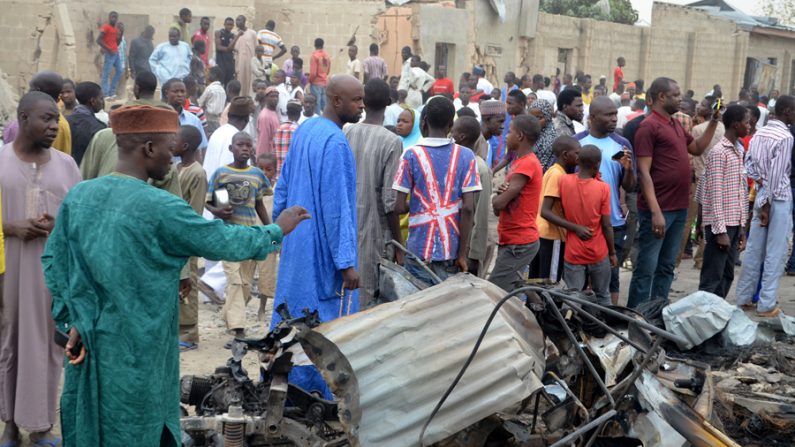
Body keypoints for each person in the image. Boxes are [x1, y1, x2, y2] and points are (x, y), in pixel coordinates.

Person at [42, 105, 308, 446]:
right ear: (149, 148)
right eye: (170, 148)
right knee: (136, 423)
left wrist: (71, 320)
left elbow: (54, 262)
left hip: (89, 342)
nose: (173, 157)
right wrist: (276, 229)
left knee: (93, 421)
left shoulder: (79, 197)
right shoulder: (160, 207)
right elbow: (221, 240)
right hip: (139, 347)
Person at [271, 75, 363, 397]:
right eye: (356, 100)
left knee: (289, 318)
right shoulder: (336, 143)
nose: (362, 106)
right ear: (336, 101)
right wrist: (347, 263)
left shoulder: (305, 130)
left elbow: (281, 186)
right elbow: (337, 209)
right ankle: (318, 398)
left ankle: (286, 387)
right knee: (325, 326)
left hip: (295, 244)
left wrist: (276, 234)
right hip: (320, 254)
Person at [0, 91, 81, 447]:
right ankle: (10, 423)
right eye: (46, 118)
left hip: (51, 276)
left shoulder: (66, 165)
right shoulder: (1, 162)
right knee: (8, 342)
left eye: (56, 119)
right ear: (22, 118)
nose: (54, 125)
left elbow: (79, 221)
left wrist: (56, 225)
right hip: (8, 271)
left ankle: (42, 424)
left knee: (47, 347)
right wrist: (10, 227)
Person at [627, 77, 721, 308]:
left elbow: (697, 148)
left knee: (667, 265)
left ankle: (658, 310)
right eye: (676, 95)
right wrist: (656, 211)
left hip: (678, 208)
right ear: (661, 97)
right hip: (659, 210)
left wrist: (713, 122)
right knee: (646, 267)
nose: (680, 99)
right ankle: (636, 314)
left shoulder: (675, 125)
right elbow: (644, 172)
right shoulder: (648, 127)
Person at [393, 95, 480, 286]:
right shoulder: (466, 156)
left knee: (417, 310)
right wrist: (462, 254)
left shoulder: (410, 155)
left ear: (423, 122)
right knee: (445, 312)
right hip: (451, 254)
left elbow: (398, 206)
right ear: (451, 125)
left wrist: (415, 204)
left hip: (418, 252)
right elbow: (467, 208)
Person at [205, 132, 273, 343]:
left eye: (248, 145)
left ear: (252, 149)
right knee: (234, 281)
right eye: (239, 145)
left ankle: (230, 315)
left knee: (244, 285)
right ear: (231, 148)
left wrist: (271, 230)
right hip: (229, 236)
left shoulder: (256, 175)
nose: (244, 148)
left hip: (249, 236)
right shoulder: (221, 174)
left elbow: (259, 204)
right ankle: (238, 330)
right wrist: (218, 211)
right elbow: (210, 201)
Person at [344, 79, 404, 306]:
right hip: (375, 231)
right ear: (389, 103)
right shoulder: (392, 141)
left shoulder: (348, 132)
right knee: (368, 294)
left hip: (348, 226)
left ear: (363, 102)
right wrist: (399, 246)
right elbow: (390, 201)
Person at [735, 96, 794, 317]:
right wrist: (768, 206)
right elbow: (778, 177)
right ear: (787, 111)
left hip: (761, 195)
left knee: (753, 250)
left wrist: (760, 183)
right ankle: (766, 304)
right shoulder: (785, 137)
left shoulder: (759, 133)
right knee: (775, 253)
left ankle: (743, 297)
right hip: (776, 201)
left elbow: (748, 165)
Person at [575, 96, 635, 303]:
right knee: (582, 278)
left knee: (612, 276)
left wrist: (628, 171)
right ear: (592, 117)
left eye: (615, 115)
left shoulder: (621, 145)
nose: (613, 119)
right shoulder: (578, 143)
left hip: (613, 222)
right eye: (608, 115)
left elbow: (628, 186)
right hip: (582, 224)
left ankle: (611, 320)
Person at [695, 105, 749, 298]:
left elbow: (740, 191)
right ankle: (703, 320)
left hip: (734, 223)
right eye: (746, 122)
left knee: (726, 275)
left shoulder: (738, 151)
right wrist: (719, 231)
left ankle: (715, 318)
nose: (749, 126)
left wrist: (742, 227)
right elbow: (714, 193)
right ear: (735, 124)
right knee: (712, 278)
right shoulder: (720, 152)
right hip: (722, 226)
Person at [557, 145, 617, 305]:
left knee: (572, 298)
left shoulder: (564, 181)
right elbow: (606, 225)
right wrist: (612, 252)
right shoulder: (603, 188)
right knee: (603, 294)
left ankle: (570, 327)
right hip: (598, 251)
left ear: (577, 161)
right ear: (597, 165)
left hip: (573, 252)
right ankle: (606, 327)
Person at [489, 114, 543, 291]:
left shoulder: (526, 164)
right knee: (511, 292)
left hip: (519, 243)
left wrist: (499, 198)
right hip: (513, 239)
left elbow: (498, 205)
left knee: (495, 292)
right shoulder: (519, 162)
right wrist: (500, 198)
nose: (506, 136)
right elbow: (499, 208)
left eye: (509, 132)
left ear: (520, 136)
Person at [173, 125, 207, 351]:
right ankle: (178, 329)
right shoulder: (176, 167)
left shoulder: (197, 172)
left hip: (187, 235)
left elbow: (194, 209)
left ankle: (190, 333)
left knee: (189, 283)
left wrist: (187, 234)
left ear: (184, 145)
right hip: (175, 235)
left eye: (174, 138)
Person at [681, 97, 725, 269]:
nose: (699, 106)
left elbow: (690, 154)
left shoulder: (698, 129)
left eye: (703, 105)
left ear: (710, 109)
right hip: (715, 181)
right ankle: (701, 260)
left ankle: (675, 259)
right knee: (707, 220)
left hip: (698, 179)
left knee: (687, 221)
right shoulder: (723, 128)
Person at [451, 116, 492, 277]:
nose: (449, 134)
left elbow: (480, 215)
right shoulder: (452, 161)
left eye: (452, 131)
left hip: (468, 247)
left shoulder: (479, 168)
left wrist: (475, 255)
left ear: (461, 136)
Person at [536, 136, 580, 284]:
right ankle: (548, 307)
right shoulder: (557, 175)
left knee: (538, 280)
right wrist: (575, 227)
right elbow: (545, 211)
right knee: (550, 282)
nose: (579, 157)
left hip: (542, 233)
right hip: (552, 235)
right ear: (565, 154)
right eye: (577, 153)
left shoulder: (554, 171)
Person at [3, 71, 72, 155]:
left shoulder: (53, 126)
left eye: (30, 88)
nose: (54, 126)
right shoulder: (61, 123)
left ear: (36, 90)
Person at [203, 96, 255, 179]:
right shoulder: (236, 139)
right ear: (246, 119)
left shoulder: (218, 132)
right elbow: (227, 175)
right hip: (221, 190)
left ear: (228, 115)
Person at [66, 81, 107, 165]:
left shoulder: (66, 121)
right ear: (93, 101)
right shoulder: (99, 127)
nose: (102, 102)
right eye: (101, 98)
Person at [162, 78, 208, 150]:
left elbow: (201, 147)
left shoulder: (194, 120)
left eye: (182, 91)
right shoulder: (159, 118)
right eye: (175, 91)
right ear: (166, 93)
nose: (179, 95)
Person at [272, 100, 301, 178]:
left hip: (278, 176)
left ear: (287, 113)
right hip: (293, 177)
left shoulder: (278, 129)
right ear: (299, 114)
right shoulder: (299, 132)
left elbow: (274, 152)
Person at [97, 11, 122, 99]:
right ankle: (106, 94)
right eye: (112, 17)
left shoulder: (115, 29)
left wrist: (121, 34)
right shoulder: (105, 27)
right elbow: (98, 40)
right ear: (109, 17)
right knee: (106, 74)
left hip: (116, 53)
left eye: (115, 17)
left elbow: (116, 42)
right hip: (109, 53)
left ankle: (112, 92)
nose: (113, 19)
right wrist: (108, 49)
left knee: (119, 71)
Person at [528, 99, 558, 171]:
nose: (534, 121)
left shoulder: (551, 138)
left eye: (539, 118)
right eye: (532, 117)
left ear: (547, 117)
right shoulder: (530, 133)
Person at [233, 15, 258, 98]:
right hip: (239, 61)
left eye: (239, 20)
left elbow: (256, 47)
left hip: (250, 61)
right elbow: (234, 49)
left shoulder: (252, 33)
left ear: (244, 21)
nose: (237, 22)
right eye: (236, 20)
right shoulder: (235, 34)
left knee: (249, 81)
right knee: (240, 80)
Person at [479, 99, 505, 169]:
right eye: (500, 121)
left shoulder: (490, 140)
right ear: (487, 119)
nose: (503, 126)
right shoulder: (475, 142)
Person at [256, 86, 280, 156]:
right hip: (267, 156)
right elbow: (263, 140)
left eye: (276, 96)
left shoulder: (274, 112)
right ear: (266, 98)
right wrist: (263, 159)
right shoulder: (265, 116)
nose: (275, 99)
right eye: (272, 96)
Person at [309, 38, 331, 114]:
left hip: (316, 83)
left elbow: (313, 73)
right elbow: (327, 71)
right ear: (323, 45)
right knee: (324, 106)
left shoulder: (314, 56)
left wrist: (310, 81)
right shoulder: (327, 56)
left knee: (316, 106)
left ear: (315, 45)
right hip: (324, 83)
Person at [215, 17, 239, 86]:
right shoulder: (218, 33)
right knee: (220, 83)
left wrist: (229, 48)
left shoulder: (233, 36)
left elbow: (234, 48)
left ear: (233, 26)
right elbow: (218, 47)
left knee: (229, 83)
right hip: (221, 62)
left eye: (231, 25)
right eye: (228, 24)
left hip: (230, 63)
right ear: (224, 24)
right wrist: (228, 49)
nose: (229, 26)